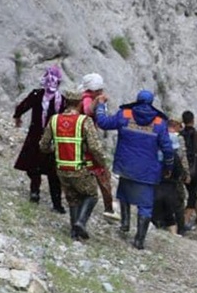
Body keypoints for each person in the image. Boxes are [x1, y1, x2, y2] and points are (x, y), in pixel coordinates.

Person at [95, 90, 174, 250]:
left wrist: (101, 105)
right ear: (151, 102)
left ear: (137, 100)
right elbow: (167, 149)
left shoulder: (125, 114)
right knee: (145, 206)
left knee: (124, 193)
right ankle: (139, 240)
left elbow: (103, 122)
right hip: (147, 170)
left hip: (126, 165)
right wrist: (169, 166)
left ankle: (125, 224)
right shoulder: (159, 122)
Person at [39, 93, 111, 241]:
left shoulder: (54, 120)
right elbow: (95, 148)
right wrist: (102, 163)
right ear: (79, 104)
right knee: (91, 195)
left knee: (72, 199)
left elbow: (43, 145)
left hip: (61, 168)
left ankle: (74, 233)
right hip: (80, 168)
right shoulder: (84, 121)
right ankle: (80, 222)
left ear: (66, 103)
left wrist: (56, 149)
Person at [13, 66, 65, 213]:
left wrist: (17, 117)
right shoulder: (61, 100)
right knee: (53, 172)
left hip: (35, 136)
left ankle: (34, 192)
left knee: (33, 166)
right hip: (53, 140)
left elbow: (22, 106)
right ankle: (57, 204)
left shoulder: (36, 95)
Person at [79, 72, 118, 220]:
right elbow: (89, 110)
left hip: (81, 140)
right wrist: (99, 103)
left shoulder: (81, 97)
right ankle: (108, 208)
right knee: (102, 173)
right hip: (88, 141)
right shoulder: (88, 99)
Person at [153, 119, 190, 235]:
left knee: (156, 212)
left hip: (156, 187)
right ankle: (179, 232)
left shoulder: (155, 153)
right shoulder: (174, 156)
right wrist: (185, 176)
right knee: (176, 209)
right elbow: (181, 171)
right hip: (171, 188)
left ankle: (156, 228)